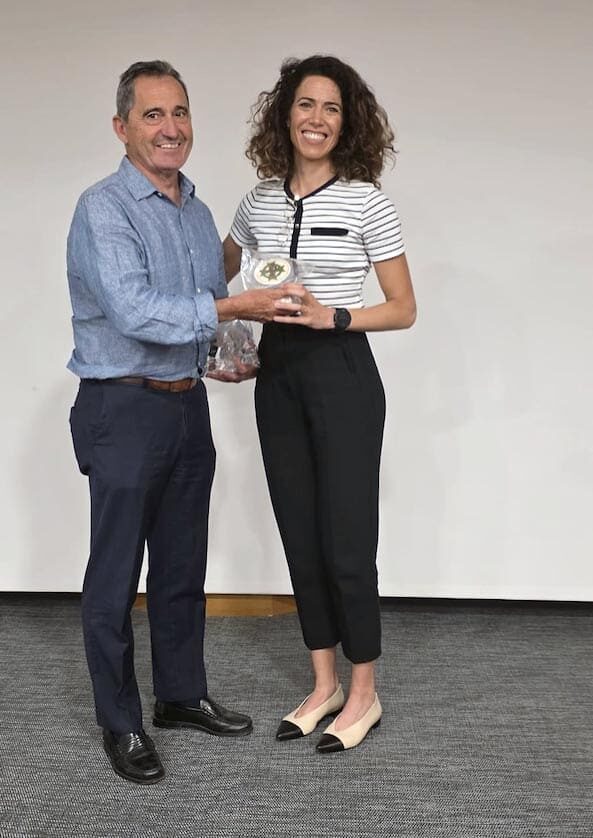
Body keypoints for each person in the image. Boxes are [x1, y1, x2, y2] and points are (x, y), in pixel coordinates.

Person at [67, 60, 297, 784]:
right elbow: (134, 312)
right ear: (121, 127)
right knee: (115, 575)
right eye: (153, 115)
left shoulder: (197, 212)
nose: (171, 128)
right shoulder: (103, 208)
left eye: (180, 112)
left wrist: (227, 351)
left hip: (185, 405)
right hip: (122, 406)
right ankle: (121, 723)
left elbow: (204, 301)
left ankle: (179, 694)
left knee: (180, 563)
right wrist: (235, 309)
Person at [223, 55, 417, 753]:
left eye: (331, 108)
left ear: (348, 121)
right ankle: (323, 683)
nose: (316, 119)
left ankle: (364, 692)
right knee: (299, 535)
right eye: (305, 104)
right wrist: (230, 342)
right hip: (277, 376)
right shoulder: (258, 201)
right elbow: (219, 275)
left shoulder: (367, 202)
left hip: (342, 373)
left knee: (346, 542)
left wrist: (334, 316)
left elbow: (403, 308)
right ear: (284, 114)